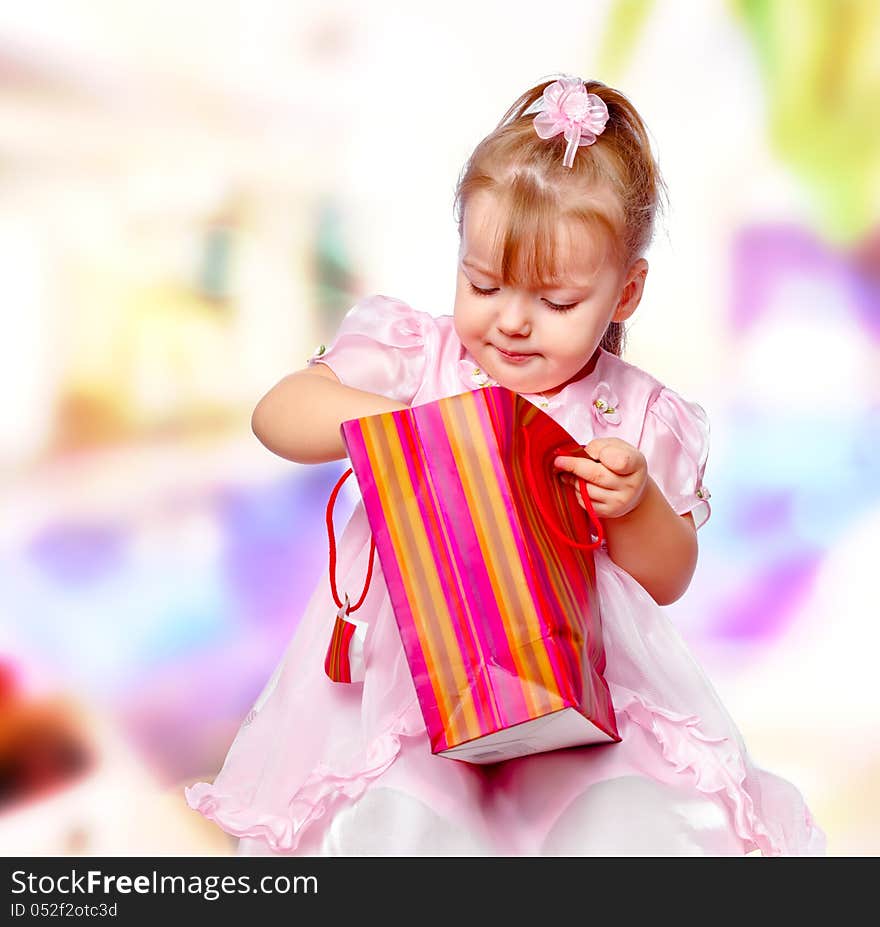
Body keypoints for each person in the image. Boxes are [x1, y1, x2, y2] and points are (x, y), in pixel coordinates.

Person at [185, 75, 826, 856]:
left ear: (625, 293)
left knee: (627, 824)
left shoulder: (630, 411)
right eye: (482, 283)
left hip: (582, 704)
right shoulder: (420, 356)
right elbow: (277, 414)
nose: (513, 320)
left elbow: (668, 577)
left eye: (557, 302)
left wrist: (634, 502)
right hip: (410, 695)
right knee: (395, 823)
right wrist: (398, 423)